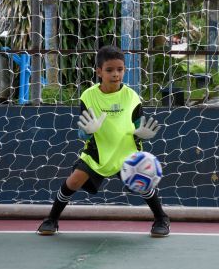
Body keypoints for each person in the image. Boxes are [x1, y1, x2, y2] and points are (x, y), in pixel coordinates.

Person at [37, 45, 170, 237]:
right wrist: (87, 132)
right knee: (73, 180)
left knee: (145, 183)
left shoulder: (131, 96)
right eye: (109, 70)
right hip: (97, 152)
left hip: (126, 152)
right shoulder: (88, 96)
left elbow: (139, 123)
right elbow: (82, 130)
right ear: (99, 72)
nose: (115, 74)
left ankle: (161, 219)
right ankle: (51, 219)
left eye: (120, 69)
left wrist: (141, 133)